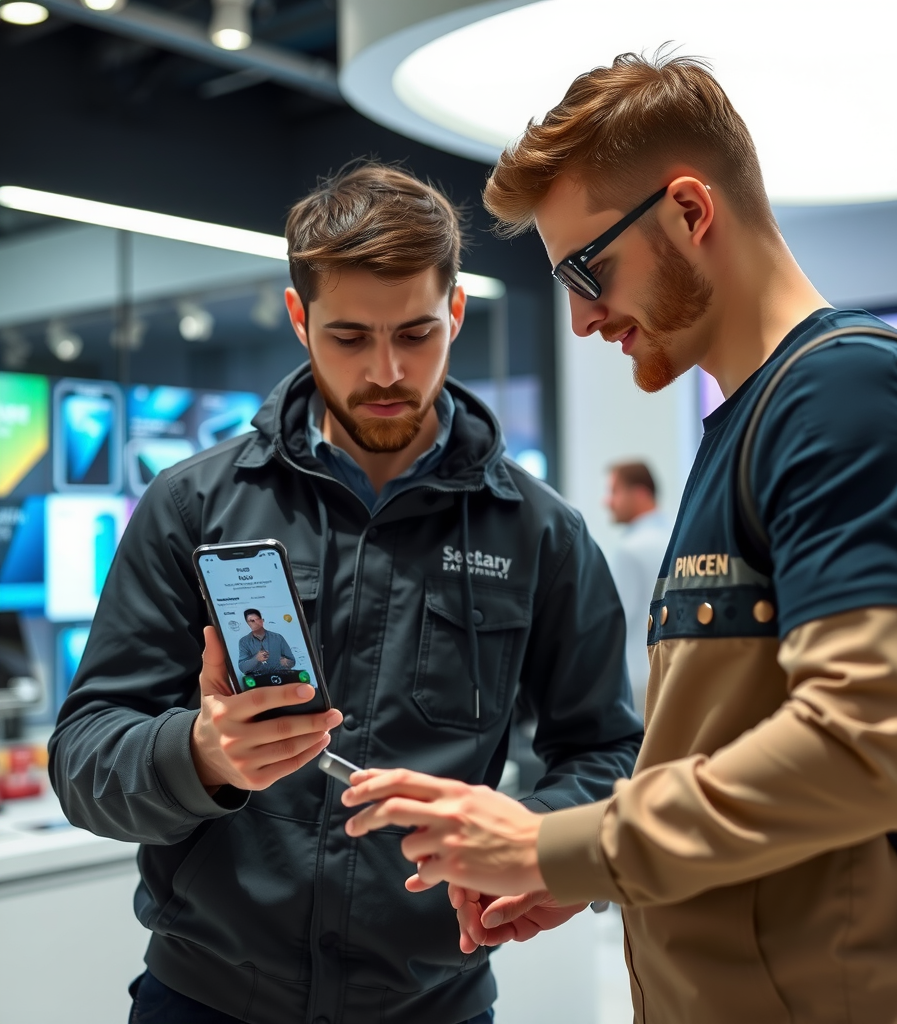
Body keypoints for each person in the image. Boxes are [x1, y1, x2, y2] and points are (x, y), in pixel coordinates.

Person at [339, 56, 897, 1024]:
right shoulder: (757, 418)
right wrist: (597, 870)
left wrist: (552, 845)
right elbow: (738, 752)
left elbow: (861, 750)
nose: (578, 317)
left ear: (690, 211)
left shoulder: (849, 399)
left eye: (587, 267)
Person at [48, 163, 642, 1024]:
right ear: (299, 320)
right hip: (206, 998)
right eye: (350, 338)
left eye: (417, 333)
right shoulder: (191, 506)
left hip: (433, 1001)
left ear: (457, 314)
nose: (388, 372)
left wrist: (527, 834)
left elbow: (608, 754)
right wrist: (202, 756)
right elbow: (83, 757)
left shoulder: (542, 533)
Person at [604, 461, 671, 714]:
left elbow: (613, 622)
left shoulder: (630, 550)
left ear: (640, 493)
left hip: (634, 682)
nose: (607, 502)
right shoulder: (675, 536)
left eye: (614, 492)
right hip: (669, 673)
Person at [238, 608, 295, 678]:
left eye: (257, 619)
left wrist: (287, 663)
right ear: (247, 623)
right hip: (259, 681)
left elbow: (292, 661)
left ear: (262, 620)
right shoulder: (244, 641)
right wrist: (256, 659)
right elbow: (243, 668)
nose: (255, 622)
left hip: (281, 678)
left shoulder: (278, 637)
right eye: (251, 621)